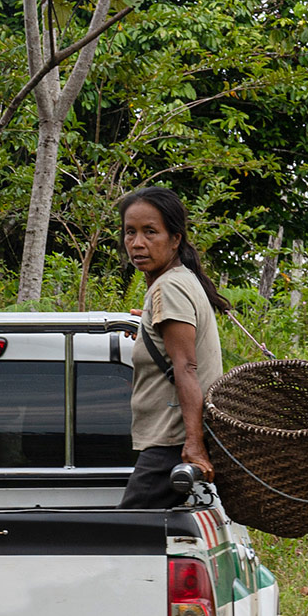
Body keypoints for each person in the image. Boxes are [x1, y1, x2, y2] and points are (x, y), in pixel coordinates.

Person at [117, 185, 224, 510]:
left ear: (175, 239)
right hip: (171, 442)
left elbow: (186, 367)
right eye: (130, 232)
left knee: (123, 545)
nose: (137, 243)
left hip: (170, 443)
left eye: (151, 232)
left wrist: (193, 444)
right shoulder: (179, 281)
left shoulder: (170, 288)